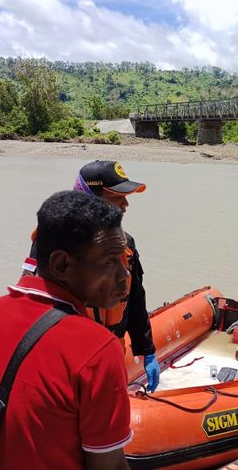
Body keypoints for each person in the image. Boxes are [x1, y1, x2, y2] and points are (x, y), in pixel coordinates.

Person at [0, 191, 132, 469]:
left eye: (123, 260)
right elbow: (109, 466)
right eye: (110, 261)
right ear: (61, 264)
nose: (124, 274)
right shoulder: (97, 350)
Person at [23, 160, 159, 392]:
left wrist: (146, 349)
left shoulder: (126, 245)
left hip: (111, 352)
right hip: (69, 357)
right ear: (90, 199)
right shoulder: (54, 244)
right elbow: (30, 303)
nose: (125, 204)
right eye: (117, 198)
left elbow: (135, 298)